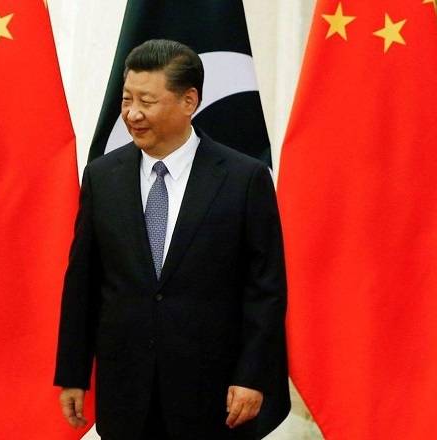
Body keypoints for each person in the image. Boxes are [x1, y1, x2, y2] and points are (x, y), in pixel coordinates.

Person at [54, 39, 290, 439]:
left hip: (214, 394)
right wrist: (73, 372)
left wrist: (253, 376)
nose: (132, 113)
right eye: (126, 99)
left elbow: (265, 289)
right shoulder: (102, 176)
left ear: (188, 101)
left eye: (146, 101)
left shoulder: (243, 179)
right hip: (126, 392)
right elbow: (84, 283)